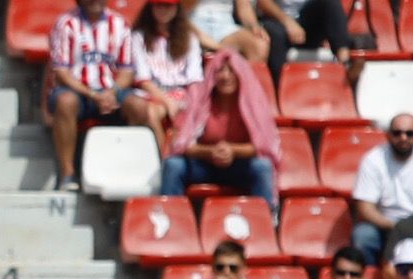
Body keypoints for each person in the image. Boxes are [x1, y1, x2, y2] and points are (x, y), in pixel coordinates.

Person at [158, 50, 280, 207]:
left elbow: (263, 145)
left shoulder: (252, 104)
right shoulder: (199, 101)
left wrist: (232, 150)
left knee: (262, 167)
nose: (225, 76)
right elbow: (181, 143)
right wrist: (211, 152)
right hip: (203, 164)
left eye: (231, 70)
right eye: (220, 71)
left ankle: (265, 221)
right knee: (173, 165)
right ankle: (170, 219)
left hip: (239, 165)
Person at [47, 0, 135, 191]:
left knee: (139, 107)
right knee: (65, 102)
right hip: (79, 91)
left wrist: (111, 93)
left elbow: (127, 71)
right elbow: (61, 73)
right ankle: (68, 174)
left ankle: (140, 172)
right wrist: (94, 95)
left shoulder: (120, 23)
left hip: (111, 91)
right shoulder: (66, 23)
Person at [351, 113, 413, 268]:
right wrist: (397, 227)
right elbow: (365, 208)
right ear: (387, 134)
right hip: (385, 226)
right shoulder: (373, 159)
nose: (403, 138)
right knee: (363, 235)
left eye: (409, 133)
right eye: (397, 133)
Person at [124, 0, 206, 153]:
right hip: (152, 93)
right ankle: (164, 159)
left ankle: (169, 160)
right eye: (158, 5)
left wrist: (195, 103)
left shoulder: (189, 38)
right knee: (149, 112)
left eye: (168, 6)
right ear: (151, 8)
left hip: (180, 91)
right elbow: (143, 80)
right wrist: (167, 101)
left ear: (176, 8)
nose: (163, 10)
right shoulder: (138, 37)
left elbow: (194, 78)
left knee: (158, 112)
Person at [253, 0, 351, 81]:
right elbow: (263, 3)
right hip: (277, 21)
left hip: (306, 23)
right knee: (275, 33)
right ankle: (279, 87)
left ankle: (344, 64)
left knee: (331, 2)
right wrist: (287, 22)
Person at [183, 0, 269, 61]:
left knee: (259, 45)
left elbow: (244, 7)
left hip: (225, 25)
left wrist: (254, 26)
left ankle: (247, 85)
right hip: (193, 24)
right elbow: (182, 8)